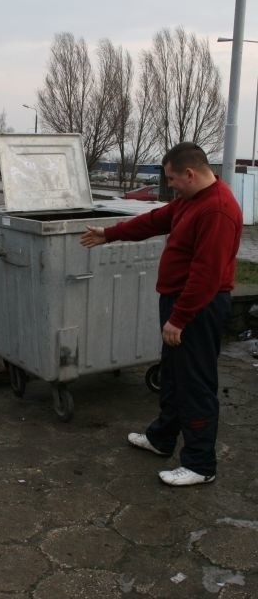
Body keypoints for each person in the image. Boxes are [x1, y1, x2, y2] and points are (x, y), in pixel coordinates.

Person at [80, 142, 242, 487]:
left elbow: (206, 275)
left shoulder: (217, 210)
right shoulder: (190, 200)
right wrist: (109, 234)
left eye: (172, 179)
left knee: (195, 383)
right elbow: (155, 220)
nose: (170, 186)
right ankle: (161, 438)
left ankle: (200, 464)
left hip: (198, 307)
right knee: (173, 375)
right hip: (178, 302)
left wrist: (180, 318)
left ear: (190, 173)